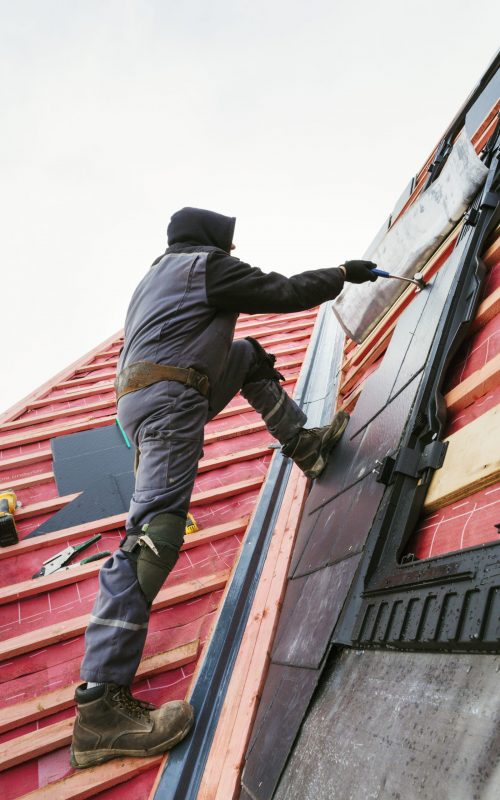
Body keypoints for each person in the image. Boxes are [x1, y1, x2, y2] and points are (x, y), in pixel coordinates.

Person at [70, 207, 378, 768]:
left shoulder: (156, 277)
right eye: (228, 248)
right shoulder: (203, 267)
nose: (232, 257)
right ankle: (99, 705)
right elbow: (282, 291)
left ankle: (304, 445)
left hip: (156, 392)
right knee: (153, 537)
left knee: (247, 356)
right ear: (212, 243)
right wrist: (342, 273)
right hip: (170, 400)